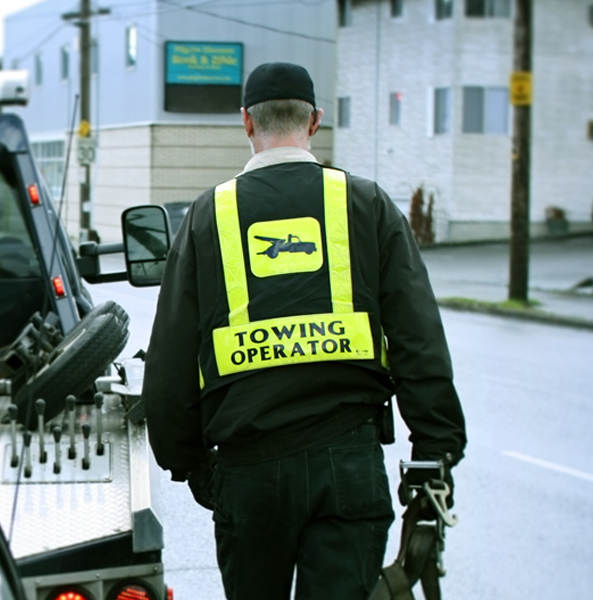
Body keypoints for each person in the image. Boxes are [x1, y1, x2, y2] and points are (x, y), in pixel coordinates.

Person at [140, 62, 467, 600]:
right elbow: (418, 338)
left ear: (247, 122)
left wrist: (189, 463)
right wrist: (436, 450)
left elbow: (171, 359)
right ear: (315, 121)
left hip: (249, 469)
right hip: (349, 461)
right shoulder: (367, 205)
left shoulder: (207, 217)